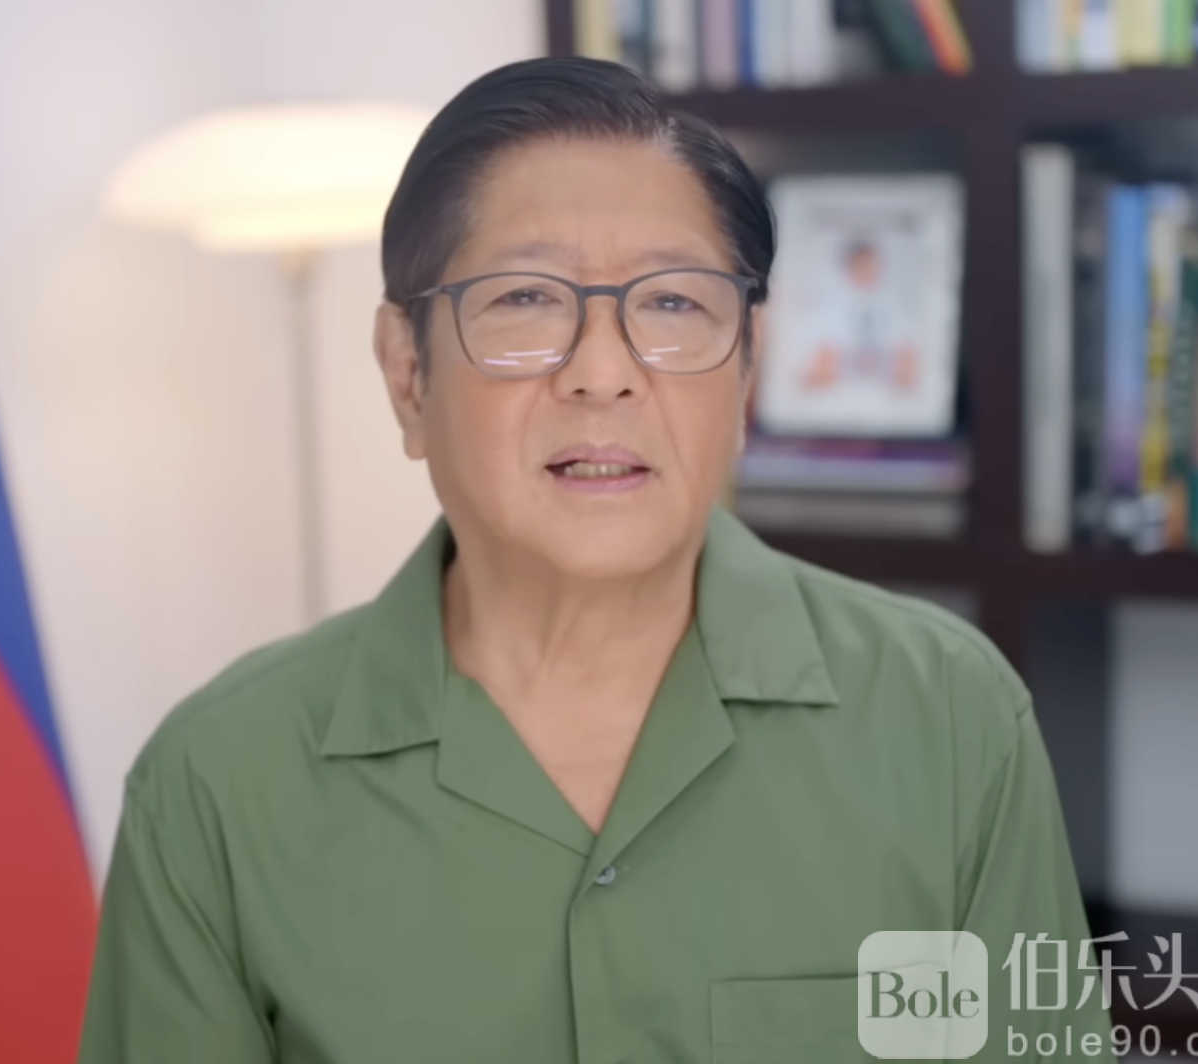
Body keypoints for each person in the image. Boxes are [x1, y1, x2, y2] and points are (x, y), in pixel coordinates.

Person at [77, 57, 1113, 1063]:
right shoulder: (216, 784)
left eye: (673, 304)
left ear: (747, 371)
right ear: (407, 377)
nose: (604, 373)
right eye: (526, 300)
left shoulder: (948, 720)